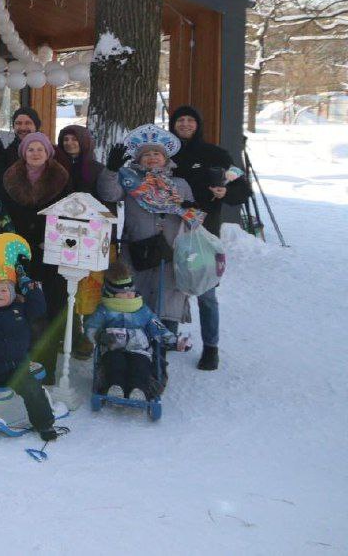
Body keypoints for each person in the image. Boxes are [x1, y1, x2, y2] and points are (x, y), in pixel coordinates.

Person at [168, 105, 250, 371]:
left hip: (203, 230)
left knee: (205, 291)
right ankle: (167, 337)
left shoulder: (215, 154)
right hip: (169, 228)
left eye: (191, 120)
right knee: (169, 286)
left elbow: (241, 186)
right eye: (180, 120)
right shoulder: (165, 152)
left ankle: (211, 347)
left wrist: (226, 193)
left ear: (198, 125)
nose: (185, 124)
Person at [97, 130, 196, 338]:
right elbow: (108, 193)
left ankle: (162, 358)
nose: (152, 158)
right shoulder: (130, 181)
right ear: (139, 159)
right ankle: (139, 354)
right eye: (146, 154)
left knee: (167, 303)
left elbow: (194, 221)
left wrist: (188, 208)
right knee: (135, 303)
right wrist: (111, 170)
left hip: (170, 255)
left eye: (156, 154)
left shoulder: (181, 184)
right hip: (137, 253)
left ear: (165, 158)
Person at [0, 264, 67, 443]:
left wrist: (28, 284)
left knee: (33, 390)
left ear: (13, 293)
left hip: (17, 367)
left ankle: (44, 424)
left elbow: (39, 307)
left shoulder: (22, 310)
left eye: (3, 290)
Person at [1, 131, 71, 381]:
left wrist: (53, 238)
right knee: (20, 307)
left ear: (48, 152)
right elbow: (4, 214)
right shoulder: (10, 178)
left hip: (50, 253)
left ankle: (47, 368)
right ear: (23, 153)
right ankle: (19, 365)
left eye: (40, 149)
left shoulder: (61, 179)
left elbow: (69, 215)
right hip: (18, 253)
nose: (35, 153)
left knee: (49, 309)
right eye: (30, 149)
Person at [86, 267, 187, 400]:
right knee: (115, 364)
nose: (130, 295)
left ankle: (138, 389)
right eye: (124, 293)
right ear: (112, 294)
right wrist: (100, 336)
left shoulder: (143, 310)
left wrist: (175, 341)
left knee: (140, 367)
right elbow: (90, 328)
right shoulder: (104, 311)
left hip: (140, 351)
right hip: (113, 349)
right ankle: (115, 386)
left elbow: (158, 328)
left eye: (131, 291)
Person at [55, 124, 99, 195]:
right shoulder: (57, 165)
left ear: (84, 141)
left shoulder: (95, 168)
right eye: (66, 139)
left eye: (74, 139)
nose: (69, 143)